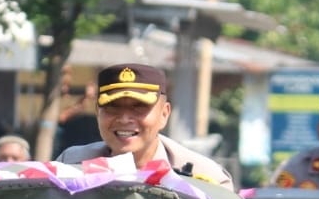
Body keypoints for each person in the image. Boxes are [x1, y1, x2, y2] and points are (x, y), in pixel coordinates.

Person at [56, 63, 234, 190]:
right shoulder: (71, 165)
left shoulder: (206, 179)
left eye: (139, 107)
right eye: (113, 107)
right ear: (97, 112)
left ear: (164, 114)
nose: (124, 119)